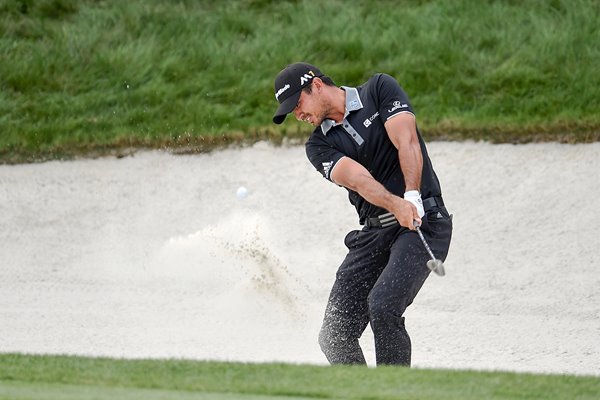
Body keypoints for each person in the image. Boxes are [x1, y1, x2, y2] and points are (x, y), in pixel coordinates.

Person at [271, 62, 453, 366]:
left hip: (425, 221)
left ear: (315, 85)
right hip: (374, 233)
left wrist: (412, 196)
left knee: (383, 306)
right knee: (333, 335)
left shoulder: (379, 90)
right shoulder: (319, 144)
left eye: (298, 104)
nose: (297, 114)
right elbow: (358, 180)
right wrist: (397, 205)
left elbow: (406, 140)